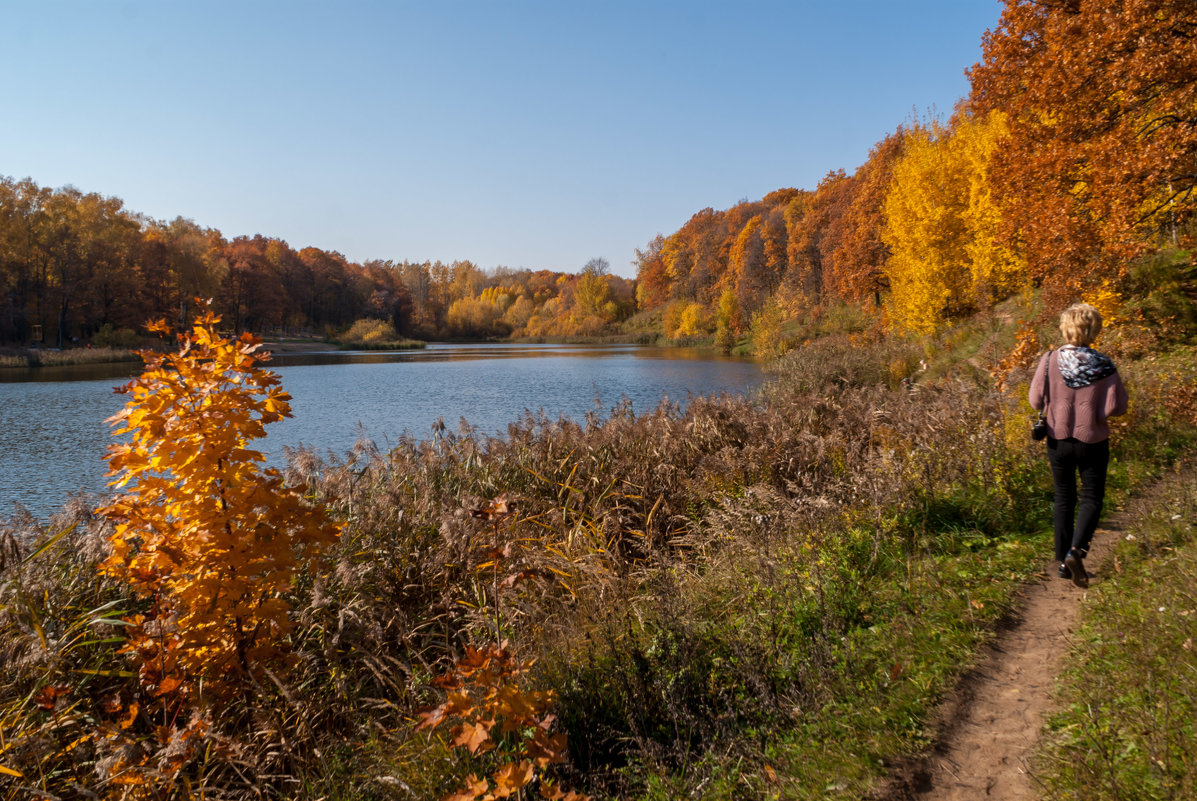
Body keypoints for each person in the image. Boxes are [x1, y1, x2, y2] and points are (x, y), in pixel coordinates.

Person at [1029, 303, 1128, 588]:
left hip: (1057, 440)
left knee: (1064, 498)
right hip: (1093, 440)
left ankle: (1063, 563)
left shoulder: (1049, 360)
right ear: (1093, 329)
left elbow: (1035, 401)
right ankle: (1077, 550)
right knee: (1091, 498)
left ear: (1065, 327)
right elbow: (1117, 407)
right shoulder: (1104, 365)